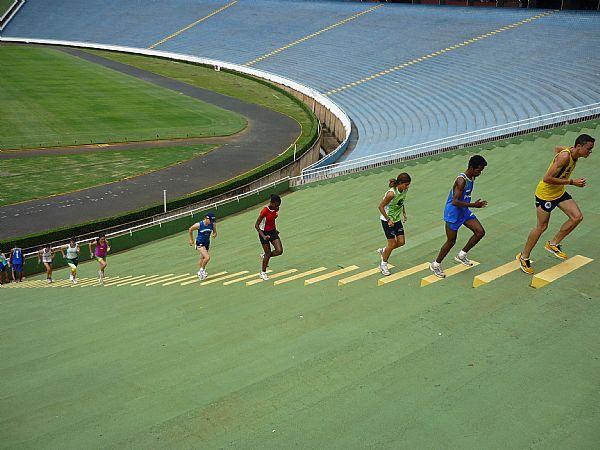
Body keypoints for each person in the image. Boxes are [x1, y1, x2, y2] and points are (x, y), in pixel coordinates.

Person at [518, 134, 594, 274]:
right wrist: (572, 182)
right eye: (588, 149)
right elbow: (547, 178)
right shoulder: (565, 156)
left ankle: (553, 244)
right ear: (579, 146)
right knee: (541, 227)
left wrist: (561, 154)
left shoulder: (572, 153)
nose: (590, 152)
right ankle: (524, 257)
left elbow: (557, 148)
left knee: (577, 217)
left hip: (559, 192)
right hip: (545, 195)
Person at [430, 155, 488, 278]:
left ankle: (461, 255)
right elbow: (455, 201)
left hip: (464, 211)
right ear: (471, 168)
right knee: (451, 241)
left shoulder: (472, 177)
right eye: (478, 170)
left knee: (480, 232)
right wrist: (474, 205)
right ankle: (435, 264)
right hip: (453, 213)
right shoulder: (461, 181)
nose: (480, 173)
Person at [377, 172, 411, 276]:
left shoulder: (404, 190)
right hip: (387, 220)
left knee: (401, 242)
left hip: (396, 219)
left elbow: (401, 201)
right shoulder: (391, 193)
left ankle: (385, 250)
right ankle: (383, 264)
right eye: (406, 184)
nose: (408, 186)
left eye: (408, 184)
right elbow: (380, 207)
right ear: (400, 183)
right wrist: (388, 219)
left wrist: (404, 212)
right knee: (392, 244)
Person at [255, 194, 283, 281]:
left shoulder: (276, 208)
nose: (278, 207)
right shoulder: (264, 211)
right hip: (263, 233)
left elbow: (272, 220)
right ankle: (262, 273)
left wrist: (275, 229)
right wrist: (263, 236)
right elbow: (256, 225)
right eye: (277, 204)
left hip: (273, 231)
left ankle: (264, 256)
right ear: (272, 203)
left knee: (279, 251)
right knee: (268, 253)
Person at [188, 212, 217, 281]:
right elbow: (190, 229)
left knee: (202, 257)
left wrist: (214, 234)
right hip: (199, 243)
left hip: (207, 242)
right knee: (207, 257)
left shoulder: (212, 224)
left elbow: (215, 232)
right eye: (210, 220)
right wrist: (191, 240)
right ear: (206, 218)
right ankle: (201, 270)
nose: (211, 222)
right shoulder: (199, 225)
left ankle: (201, 273)